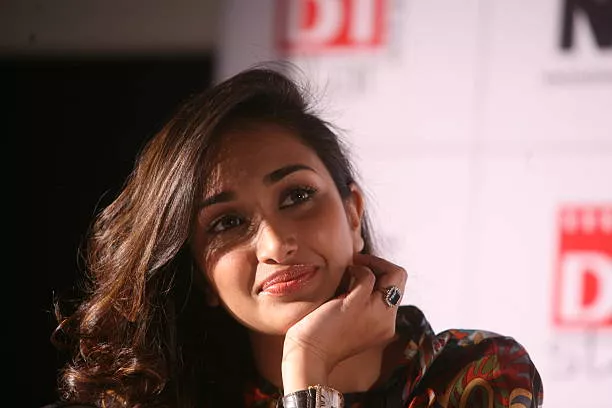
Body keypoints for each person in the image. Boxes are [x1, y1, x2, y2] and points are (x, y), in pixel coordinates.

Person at [46, 66, 543, 408]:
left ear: (353, 213)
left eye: (296, 195)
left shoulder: (475, 374)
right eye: (226, 222)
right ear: (199, 274)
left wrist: (309, 367)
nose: (275, 244)